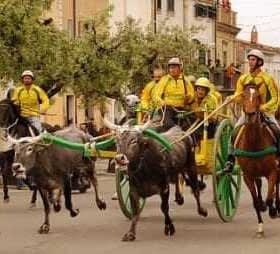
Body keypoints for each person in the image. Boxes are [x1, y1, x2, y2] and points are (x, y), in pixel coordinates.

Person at [225, 49, 280, 170]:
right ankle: (230, 159)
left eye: (253, 59)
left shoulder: (267, 79)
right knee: (234, 132)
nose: (250, 61)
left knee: (277, 130)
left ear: (259, 62)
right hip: (247, 113)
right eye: (249, 59)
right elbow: (239, 96)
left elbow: (276, 98)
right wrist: (232, 98)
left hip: (265, 112)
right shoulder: (243, 79)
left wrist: (262, 107)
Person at [153, 57, 194, 131]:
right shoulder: (165, 80)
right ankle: (175, 133)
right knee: (168, 124)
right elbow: (156, 95)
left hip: (181, 109)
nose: (172, 70)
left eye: (174, 68)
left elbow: (192, 95)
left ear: (180, 68)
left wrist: (189, 97)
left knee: (189, 126)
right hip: (167, 108)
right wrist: (162, 103)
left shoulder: (186, 80)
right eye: (170, 68)